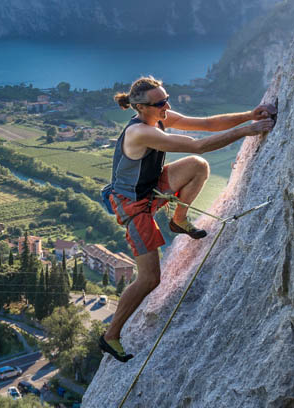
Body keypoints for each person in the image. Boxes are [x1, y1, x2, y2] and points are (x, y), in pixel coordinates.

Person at [97, 76, 274, 362]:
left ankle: (179, 220)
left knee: (197, 168)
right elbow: (197, 145)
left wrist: (249, 115)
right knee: (150, 279)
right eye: (161, 103)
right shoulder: (140, 132)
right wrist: (249, 130)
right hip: (133, 207)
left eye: (167, 99)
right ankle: (110, 335)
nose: (167, 106)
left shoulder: (158, 116)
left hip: (150, 187)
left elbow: (205, 124)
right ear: (142, 107)